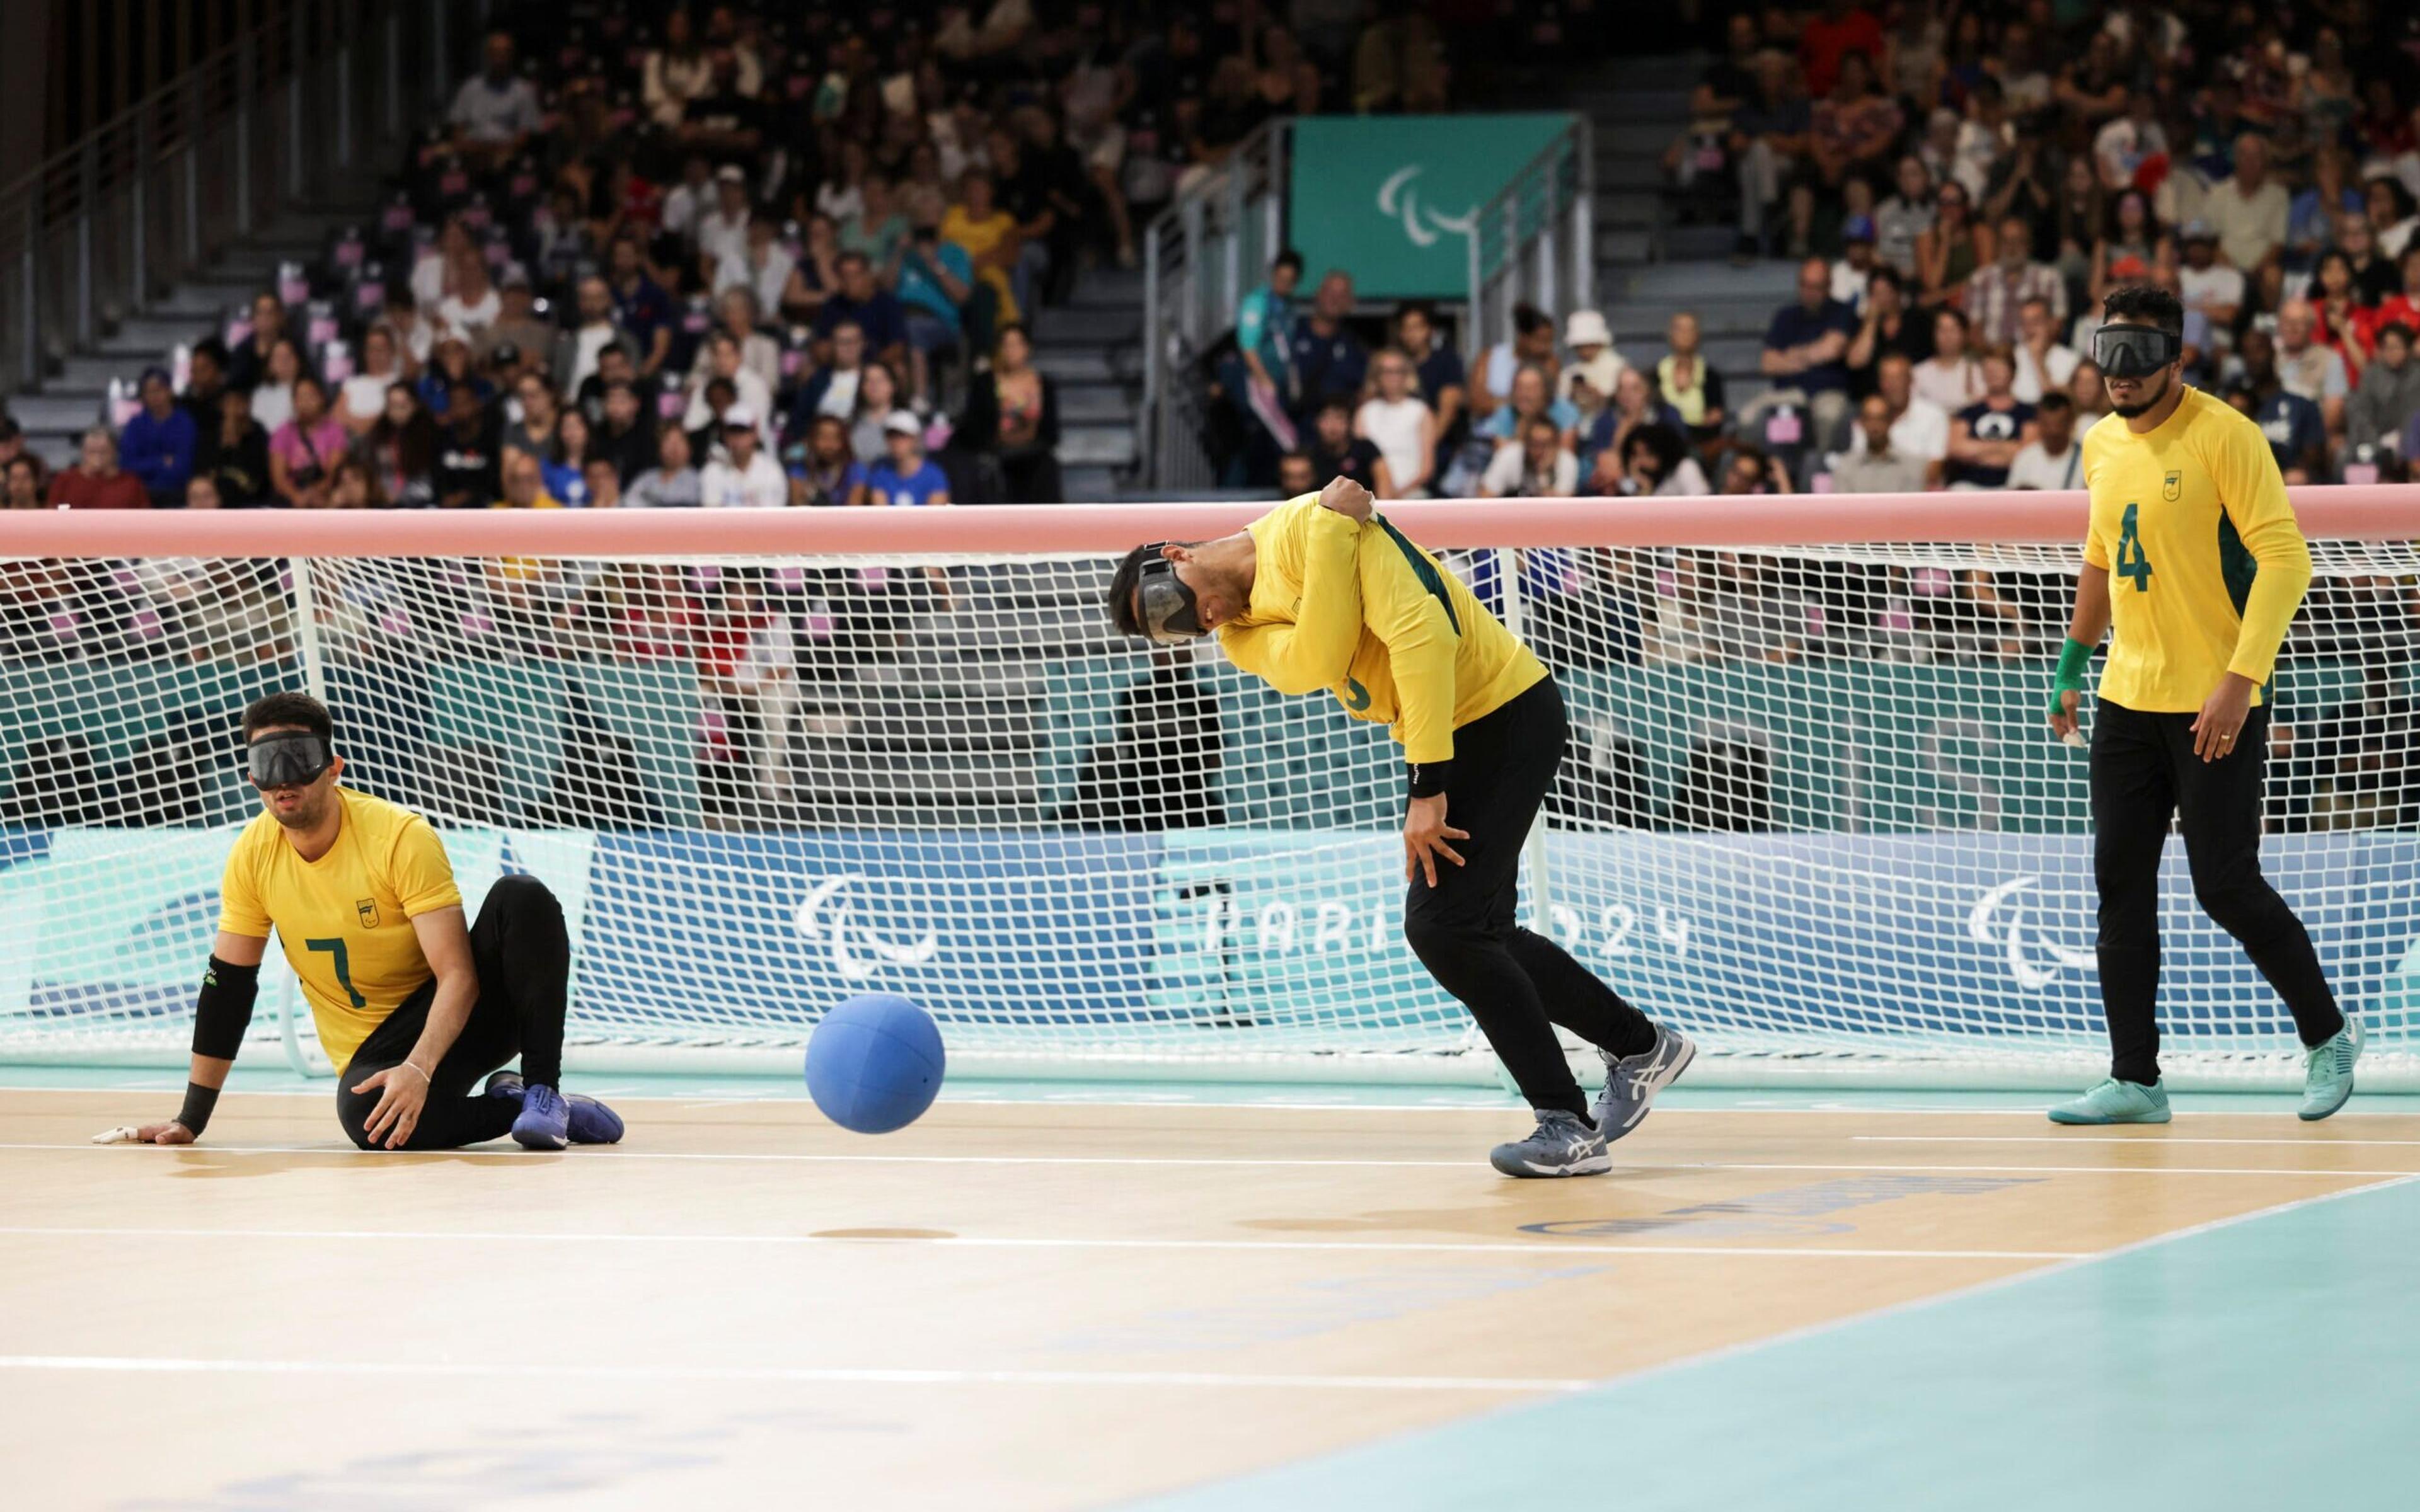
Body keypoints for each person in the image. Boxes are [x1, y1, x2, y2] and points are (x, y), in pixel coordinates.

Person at [1103, 479, 1691, 1176]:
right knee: (1479, 930)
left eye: (1171, 606)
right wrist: (1332, 528)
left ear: (1178, 554)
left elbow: (1423, 636)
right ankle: (1640, 1046)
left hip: (1501, 713)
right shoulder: (1254, 617)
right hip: (1450, 731)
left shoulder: (1300, 531)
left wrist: (1429, 786)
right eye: (1178, 631)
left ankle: (1566, 1122)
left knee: (1443, 927)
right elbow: (1316, 661)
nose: (1197, 620)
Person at [2044, 286, 2358, 1126]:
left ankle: (2329, 1036)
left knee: (2224, 884)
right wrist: (2072, 667)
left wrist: (2240, 680)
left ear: (2177, 362)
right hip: (2126, 701)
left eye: (2139, 360)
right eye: (2109, 356)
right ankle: (2136, 1078)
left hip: (2216, 700)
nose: (2119, 375)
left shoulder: (2227, 435)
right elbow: (2101, 562)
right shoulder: (2101, 445)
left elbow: (2287, 561)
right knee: (2120, 887)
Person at [104, 692, 623, 1150]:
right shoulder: (252, 856)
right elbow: (228, 988)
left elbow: (458, 975)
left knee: (522, 896)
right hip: (375, 1046)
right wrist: (190, 1119)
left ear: (334, 767)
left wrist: (419, 1069)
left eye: (299, 759)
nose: (284, 778)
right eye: (268, 763)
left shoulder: (398, 837)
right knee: (368, 1122)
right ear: (250, 778)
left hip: (463, 1014)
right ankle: (521, 1108)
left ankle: (541, 1092)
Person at [1752, 259, 1856, 456]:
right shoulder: (1785, 316)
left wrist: (1791, 355)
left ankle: (1815, 471)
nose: (1809, 292)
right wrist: (1814, 354)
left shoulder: (1842, 312)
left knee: (1829, 417)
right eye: (1805, 285)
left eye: (1816, 287)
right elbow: (1768, 364)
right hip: (1788, 392)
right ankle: (1764, 472)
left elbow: (1832, 351)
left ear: (1829, 287)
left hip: (1829, 393)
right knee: (1748, 418)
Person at [965, 324, 1063, 504]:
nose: (1011, 351)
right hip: (996, 454)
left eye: (1017, 344)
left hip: (1033, 456)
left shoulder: (1044, 384)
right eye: (1006, 345)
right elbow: (973, 426)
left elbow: (1051, 432)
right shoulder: (984, 383)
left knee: (1047, 466)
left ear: (1027, 348)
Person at [1945, 348, 2036, 489]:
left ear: (2012, 371)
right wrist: (2004, 447)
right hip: (1969, 486)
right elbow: (1956, 448)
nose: (1993, 374)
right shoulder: (1968, 412)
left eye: (1999, 369)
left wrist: (1977, 450)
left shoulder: (2028, 413)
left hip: (2011, 486)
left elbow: (2027, 453)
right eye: (1989, 370)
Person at [1356, 348, 1436, 499]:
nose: (1392, 377)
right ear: (1376, 376)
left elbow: (1427, 468)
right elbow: (1359, 460)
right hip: (1371, 497)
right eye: (1386, 371)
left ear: (1407, 375)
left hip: (1412, 494)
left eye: (1398, 371)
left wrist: (1397, 495)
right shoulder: (1365, 412)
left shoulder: (1421, 411)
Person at [120, 367, 198, 507]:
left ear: (169, 391)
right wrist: (161, 462)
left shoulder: (184, 422)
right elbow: (128, 465)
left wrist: (147, 466)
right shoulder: (135, 424)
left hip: (177, 494)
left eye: (158, 390)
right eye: (149, 392)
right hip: (141, 494)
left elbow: (183, 465)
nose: (154, 396)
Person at [268, 376, 349, 510]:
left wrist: (312, 494)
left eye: (310, 396)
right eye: (300, 397)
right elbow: (279, 479)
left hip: (324, 496)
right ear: (294, 402)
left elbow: (334, 474)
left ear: (322, 398)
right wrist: (297, 497)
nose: (305, 402)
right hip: (290, 499)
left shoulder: (335, 431)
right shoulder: (283, 432)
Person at [1830, 393, 1931, 493]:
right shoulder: (1845, 466)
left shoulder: (1913, 466)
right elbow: (1843, 508)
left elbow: (1912, 507)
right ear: (1861, 422)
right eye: (1869, 419)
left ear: (1891, 421)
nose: (1874, 426)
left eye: (1880, 419)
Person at [2346, 323, 2420, 454]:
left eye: (2396, 347)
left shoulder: (2417, 375)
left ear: (2408, 349)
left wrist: (2404, 441)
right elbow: (2362, 415)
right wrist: (2376, 442)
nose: (2391, 353)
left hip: (2413, 444)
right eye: (2387, 348)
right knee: (2345, 455)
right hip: (2376, 441)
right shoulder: (2371, 375)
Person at [1656, 311, 1727, 446]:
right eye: (1679, 329)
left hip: (1699, 443)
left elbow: (1715, 417)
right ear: (1670, 334)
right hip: (1661, 444)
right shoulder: (1655, 375)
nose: (1684, 334)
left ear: (1698, 335)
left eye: (1690, 329)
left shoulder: (1711, 377)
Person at [698, 405, 786, 508]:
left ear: (755, 434)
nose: (737, 438)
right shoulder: (713, 471)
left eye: (743, 431)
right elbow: (711, 516)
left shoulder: (771, 471)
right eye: (733, 431)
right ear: (724, 435)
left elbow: (773, 518)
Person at [863, 411, 951, 507]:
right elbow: (881, 514)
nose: (896, 442)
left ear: (915, 439)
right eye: (891, 436)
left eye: (902, 436)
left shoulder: (934, 475)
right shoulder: (880, 473)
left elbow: (935, 516)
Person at [48, 427, 149, 509]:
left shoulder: (131, 483)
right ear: (83, 452)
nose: (97, 457)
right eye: (92, 451)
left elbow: (145, 519)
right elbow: (50, 516)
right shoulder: (65, 480)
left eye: (103, 451)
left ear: (114, 452)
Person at [2005, 391, 2083, 491]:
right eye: (2047, 425)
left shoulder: (2086, 461)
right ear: (2038, 423)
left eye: (2059, 424)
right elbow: (2011, 498)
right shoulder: (2025, 458)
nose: (2053, 431)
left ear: (2071, 423)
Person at [2010, 295, 2080, 406]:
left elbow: (2057, 404)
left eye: (2036, 322)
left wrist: (2038, 360)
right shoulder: (2012, 356)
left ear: (2051, 323)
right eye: (2025, 323)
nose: (2030, 329)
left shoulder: (2071, 360)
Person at [1304, 398, 1383, 494]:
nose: (1333, 427)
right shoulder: (1308, 454)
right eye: (1326, 420)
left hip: (1363, 507)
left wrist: (1381, 507)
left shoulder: (1366, 448)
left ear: (1349, 423)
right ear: (1317, 423)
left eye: (1339, 419)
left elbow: (1384, 485)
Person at [787, 414, 866, 507]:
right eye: (823, 438)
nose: (829, 445)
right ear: (812, 440)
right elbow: (798, 507)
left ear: (843, 442)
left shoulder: (855, 470)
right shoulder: (799, 470)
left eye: (835, 438)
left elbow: (853, 509)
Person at [625, 423, 704, 508]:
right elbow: (629, 501)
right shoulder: (647, 478)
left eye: (679, 441)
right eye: (668, 441)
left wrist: (651, 499)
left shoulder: (697, 479)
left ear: (690, 449)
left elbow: (685, 501)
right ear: (660, 448)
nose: (674, 447)